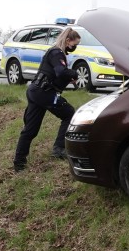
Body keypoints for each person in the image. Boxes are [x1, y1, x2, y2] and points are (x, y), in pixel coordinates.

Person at [12, 28, 81, 171]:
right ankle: (59, 149)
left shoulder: (55, 52)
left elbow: (56, 75)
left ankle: (19, 163)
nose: (75, 47)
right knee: (69, 113)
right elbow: (60, 71)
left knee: (30, 130)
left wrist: (69, 78)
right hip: (44, 93)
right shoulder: (57, 52)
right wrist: (74, 73)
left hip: (36, 91)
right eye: (75, 44)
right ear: (68, 41)